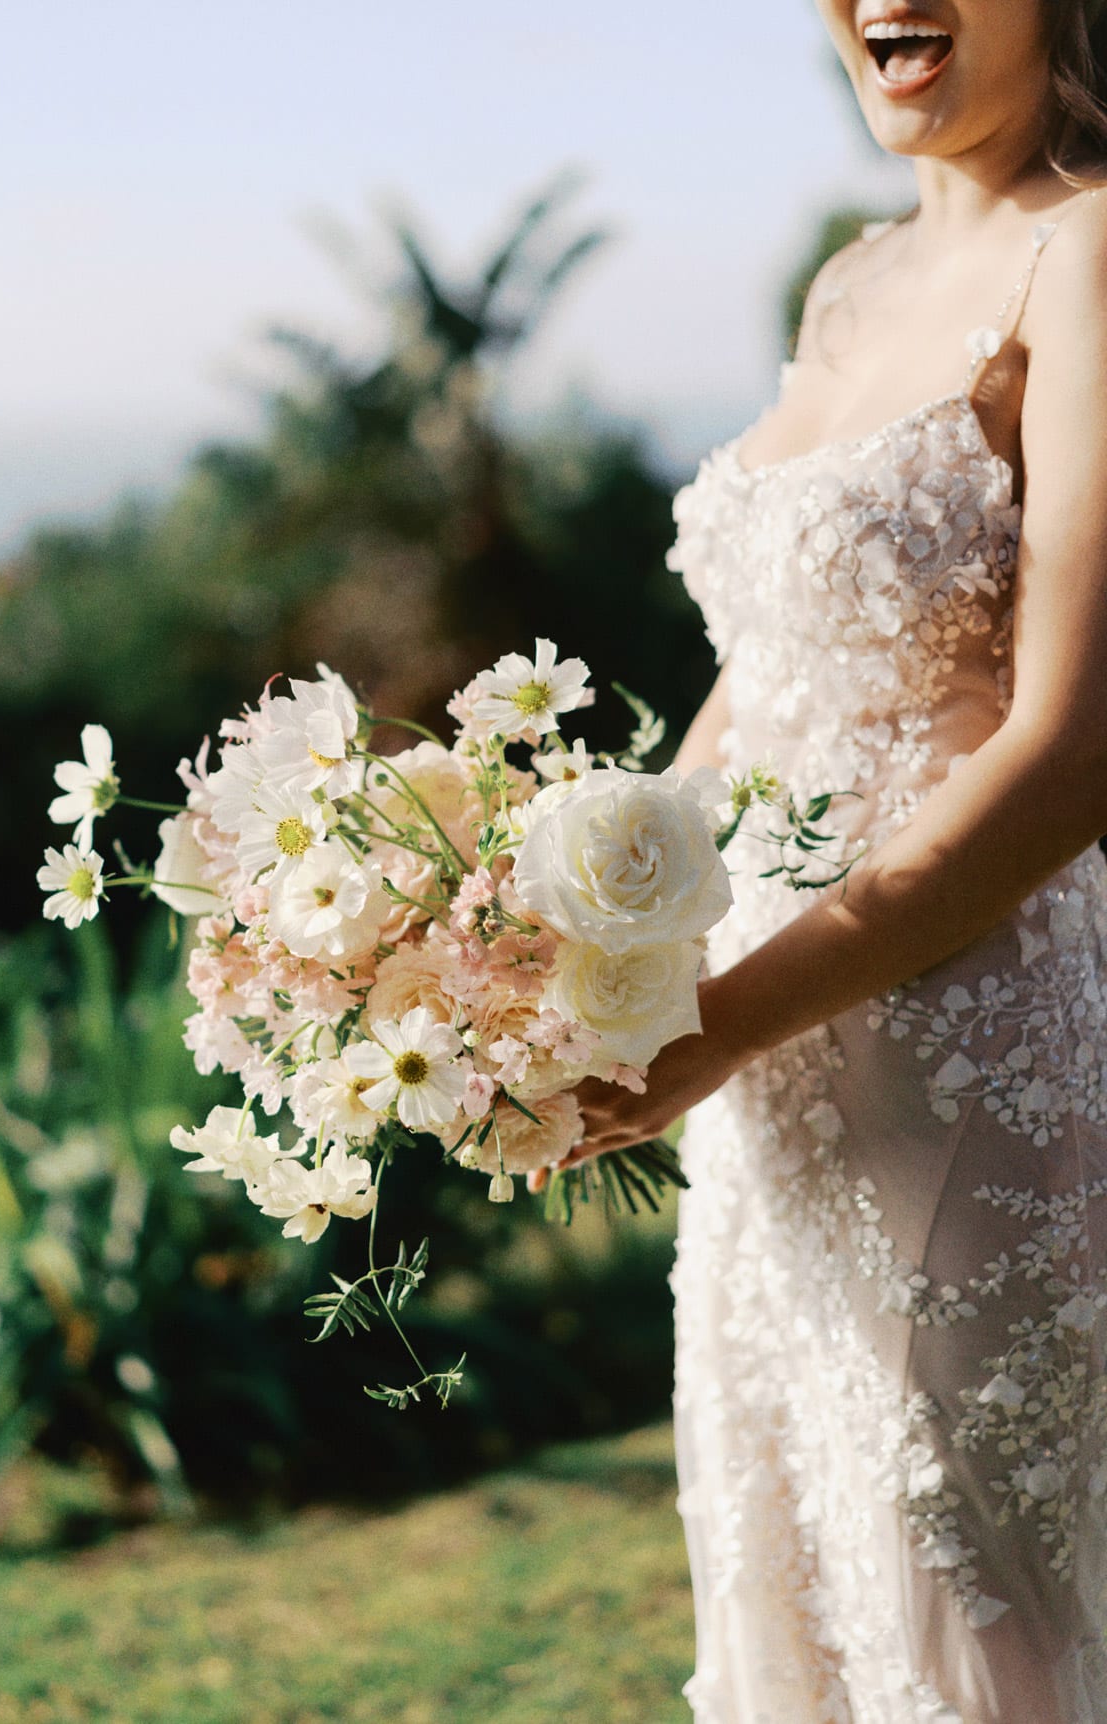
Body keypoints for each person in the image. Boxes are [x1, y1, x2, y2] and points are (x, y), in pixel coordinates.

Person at [559, 3, 1107, 1717]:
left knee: (962, 1602)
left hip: (964, 1068)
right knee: (795, 1571)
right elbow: (774, 676)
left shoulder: (1091, 253)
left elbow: (1070, 756)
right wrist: (565, 932)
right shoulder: (853, 284)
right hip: (760, 1096)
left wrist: (718, 1022)